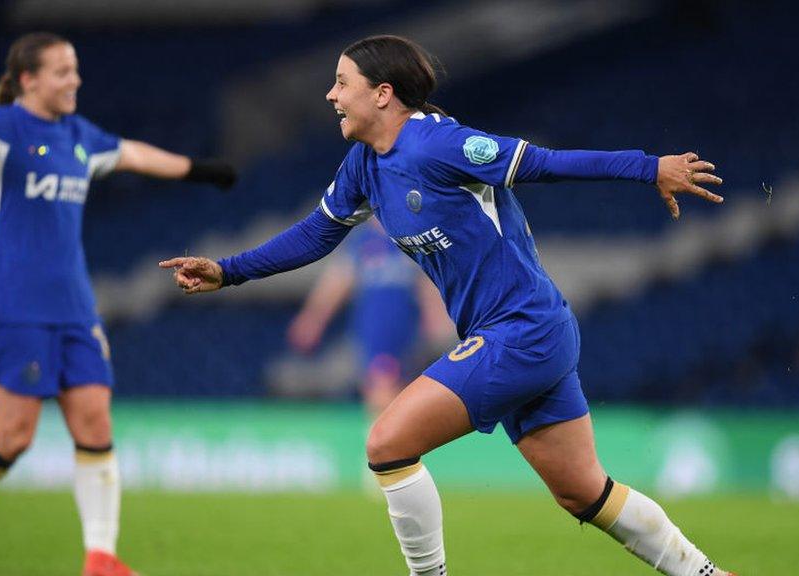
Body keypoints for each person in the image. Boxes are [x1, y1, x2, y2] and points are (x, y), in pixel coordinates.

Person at [161, 35, 733, 576]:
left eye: (341, 83)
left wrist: (647, 166)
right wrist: (228, 271)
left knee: (387, 444)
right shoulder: (364, 164)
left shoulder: (441, 144)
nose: (332, 96)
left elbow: (542, 163)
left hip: (522, 330)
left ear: (382, 93)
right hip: (523, 333)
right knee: (584, 492)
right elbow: (315, 235)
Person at [0, 32, 236, 576]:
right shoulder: (6, 128)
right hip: (12, 305)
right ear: (28, 80)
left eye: (76, 69)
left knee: (95, 424)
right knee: (15, 436)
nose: (75, 80)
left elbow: (131, 153)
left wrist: (197, 170)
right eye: (62, 71)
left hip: (74, 307)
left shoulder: (81, 136)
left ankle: (101, 557)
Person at [287, 217, 454, 416]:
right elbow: (337, 282)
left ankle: (393, 438)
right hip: (375, 330)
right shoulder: (361, 242)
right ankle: (384, 439)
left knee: (401, 390)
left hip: (406, 330)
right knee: (381, 387)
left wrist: (436, 317)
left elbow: (426, 284)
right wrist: (312, 320)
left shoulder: (411, 239)